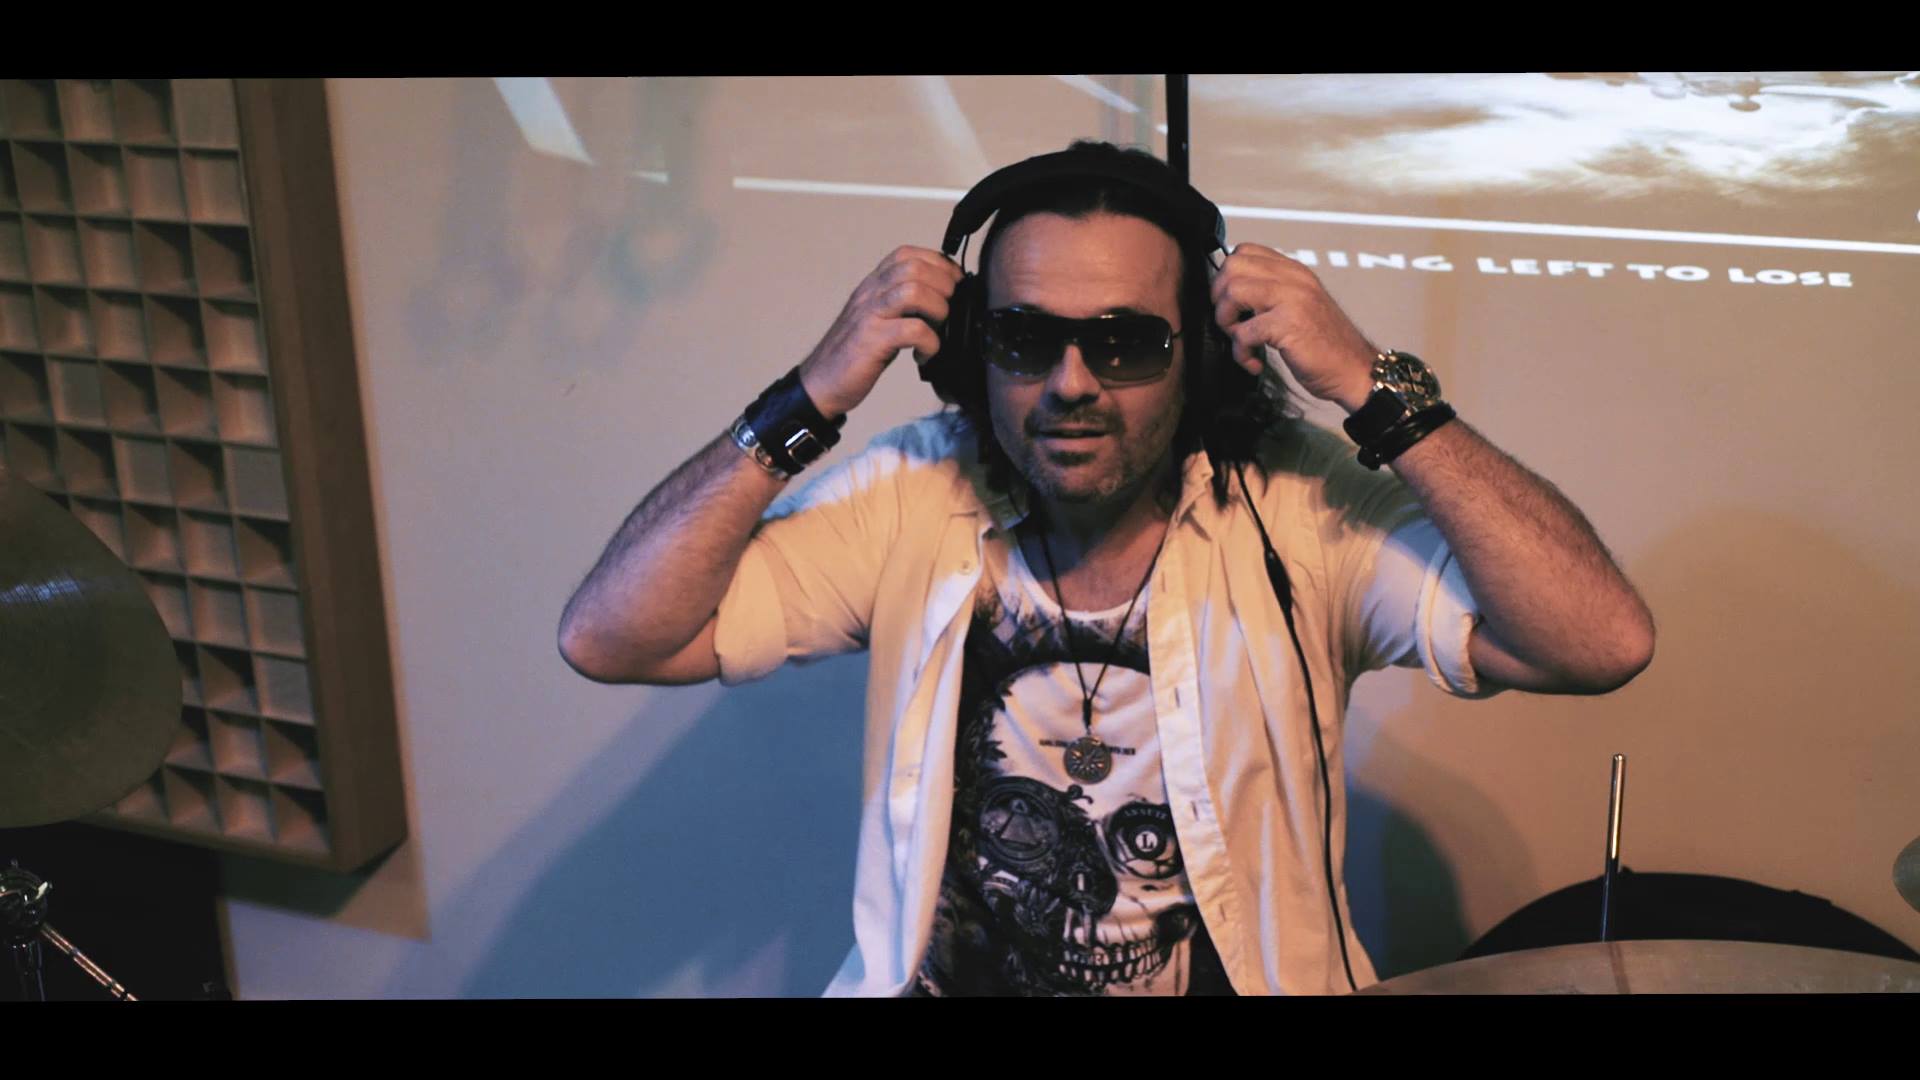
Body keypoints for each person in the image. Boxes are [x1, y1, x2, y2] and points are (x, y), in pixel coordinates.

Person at [558, 140, 1655, 996]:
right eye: (1026, 340)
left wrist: (1376, 387)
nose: (1072, 383)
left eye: (1125, 342)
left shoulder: (1299, 506)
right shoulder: (911, 493)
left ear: (1203, 357)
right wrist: (809, 398)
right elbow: (611, 637)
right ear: (971, 350)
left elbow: (1599, 642)